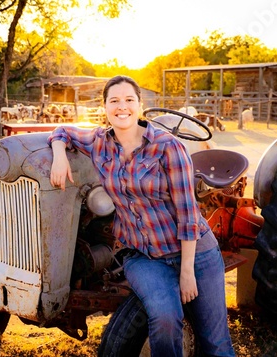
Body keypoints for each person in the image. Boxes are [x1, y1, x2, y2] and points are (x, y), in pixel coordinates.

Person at [48, 75, 235, 357]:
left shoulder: (168, 147)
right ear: (105, 107)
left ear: (139, 105)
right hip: (144, 257)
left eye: (128, 100)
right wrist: (59, 153)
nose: (121, 107)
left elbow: (187, 214)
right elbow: (62, 131)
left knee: (215, 343)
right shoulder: (99, 142)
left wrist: (187, 274)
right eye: (114, 101)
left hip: (195, 254)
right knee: (165, 319)